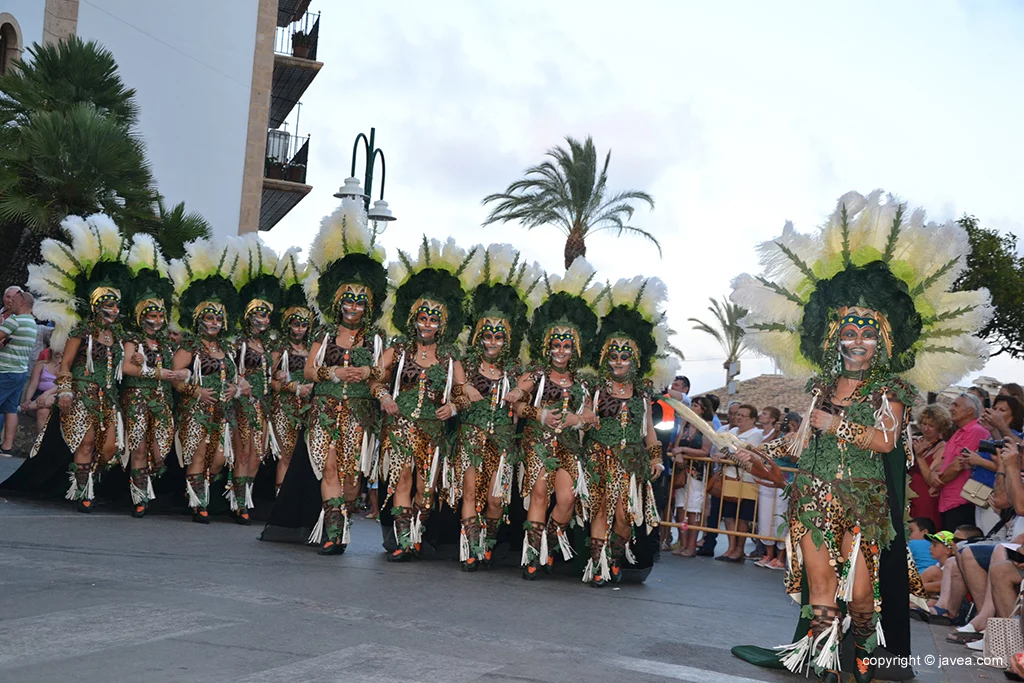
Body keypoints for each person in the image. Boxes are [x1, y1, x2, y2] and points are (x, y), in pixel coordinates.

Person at [730, 191, 990, 682]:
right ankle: (826, 664)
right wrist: (758, 450)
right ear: (834, 338)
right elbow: (802, 441)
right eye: (848, 332)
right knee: (822, 585)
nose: (856, 341)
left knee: (864, 594)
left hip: (864, 501)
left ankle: (866, 657)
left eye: (867, 332)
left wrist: (839, 424)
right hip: (813, 495)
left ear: (883, 340)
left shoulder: (890, 390)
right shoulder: (821, 387)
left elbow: (886, 443)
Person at [375, 238, 472, 562]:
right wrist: (386, 396)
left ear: (441, 325)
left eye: (433, 319)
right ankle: (404, 541)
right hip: (400, 425)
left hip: (433, 431)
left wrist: (454, 406)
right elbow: (376, 380)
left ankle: (416, 529)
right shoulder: (398, 349)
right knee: (401, 478)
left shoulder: (449, 358)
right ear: (413, 319)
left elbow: (463, 393)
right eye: (422, 318)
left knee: (425, 491)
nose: (427, 324)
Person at [446, 245, 539, 571]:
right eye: (486, 335)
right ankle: (470, 548)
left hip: (502, 443)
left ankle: (486, 540)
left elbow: (536, 376)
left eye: (498, 337)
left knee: (497, 499)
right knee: (470, 490)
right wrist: (462, 394)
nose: (491, 342)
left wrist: (519, 391)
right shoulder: (465, 365)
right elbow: (456, 397)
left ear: (507, 339)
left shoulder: (515, 370)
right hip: (471, 437)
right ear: (478, 336)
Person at [514, 259, 601, 580]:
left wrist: (574, 419)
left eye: (567, 345)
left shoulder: (583, 382)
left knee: (566, 498)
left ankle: (549, 540)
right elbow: (517, 402)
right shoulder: (535, 373)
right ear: (546, 346)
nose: (561, 350)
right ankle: (533, 556)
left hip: (568, 447)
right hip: (538, 442)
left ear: (575, 349)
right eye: (555, 345)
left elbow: (591, 416)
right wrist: (540, 413)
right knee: (540, 494)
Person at [581, 277, 671, 585]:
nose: (619, 361)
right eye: (614, 356)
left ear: (634, 361)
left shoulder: (643, 393)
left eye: (625, 356)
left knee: (623, 516)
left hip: (631, 461)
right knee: (601, 510)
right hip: (598, 457)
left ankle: (614, 556)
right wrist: (585, 418)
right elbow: (581, 418)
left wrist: (657, 459)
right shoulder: (594, 388)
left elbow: (649, 432)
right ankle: (598, 565)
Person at [168, 237, 241, 524]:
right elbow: (174, 378)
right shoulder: (190, 347)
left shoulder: (226, 349)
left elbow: (236, 377)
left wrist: (236, 388)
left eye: (218, 320)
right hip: (196, 411)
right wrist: (196, 392)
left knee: (220, 458)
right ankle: (198, 503)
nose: (214, 324)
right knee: (199, 454)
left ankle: (200, 493)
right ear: (199, 320)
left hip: (223, 411)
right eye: (209, 319)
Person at [119, 235, 189, 517]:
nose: (157, 320)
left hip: (162, 403)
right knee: (138, 448)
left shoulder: (168, 344)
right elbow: (126, 368)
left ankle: (148, 483)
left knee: (159, 453)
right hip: (136, 399)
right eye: (151, 315)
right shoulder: (132, 340)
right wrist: (155, 370)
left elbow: (182, 369)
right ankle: (139, 498)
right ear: (140, 316)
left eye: (161, 316)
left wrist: (181, 372)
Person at [229, 235, 281, 525]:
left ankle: (245, 497)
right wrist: (239, 380)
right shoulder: (238, 343)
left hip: (263, 404)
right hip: (243, 403)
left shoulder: (268, 347)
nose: (263, 319)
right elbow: (228, 366)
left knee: (258, 454)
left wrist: (280, 375)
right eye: (258, 314)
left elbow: (270, 375)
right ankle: (239, 503)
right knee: (243, 450)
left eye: (266, 315)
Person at [268, 250, 313, 497]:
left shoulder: (313, 350)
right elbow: (269, 383)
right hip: (285, 408)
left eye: (304, 324)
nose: (299, 329)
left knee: (302, 456)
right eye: (295, 324)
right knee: (285, 454)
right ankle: (279, 502)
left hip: (307, 410)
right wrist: (291, 387)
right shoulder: (279, 349)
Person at [935, 393, 990, 532]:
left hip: (962, 501)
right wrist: (934, 477)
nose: (951, 408)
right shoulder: (959, 433)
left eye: (956, 405)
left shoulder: (975, 431)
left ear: (970, 411)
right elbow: (944, 462)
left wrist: (937, 483)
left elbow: (957, 466)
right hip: (949, 500)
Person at [715, 403, 762, 562]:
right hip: (729, 476)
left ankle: (739, 550)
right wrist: (722, 455)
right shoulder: (732, 431)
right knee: (729, 515)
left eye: (743, 416)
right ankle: (730, 548)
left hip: (746, 479)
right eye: (738, 415)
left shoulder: (755, 434)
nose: (739, 418)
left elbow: (746, 455)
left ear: (752, 419)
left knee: (742, 517)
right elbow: (722, 448)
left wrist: (726, 456)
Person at [672, 395, 713, 557]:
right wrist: (678, 453)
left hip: (697, 472)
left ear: (703, 409)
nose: (693, 408)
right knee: (681, 507)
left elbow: (705, 451)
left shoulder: (707, 426)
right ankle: (682, 544)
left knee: (693, 508)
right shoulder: (685, 423)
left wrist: (683, 451)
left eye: (696, 406)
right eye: (693, 405)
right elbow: (676, 444)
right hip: (681, 470)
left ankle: (691, 546)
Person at [0, 288, 37, 457]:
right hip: (20, 372)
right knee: (10, 409)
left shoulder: (14, 321)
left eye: (13, 301)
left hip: (5, 370)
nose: (10, 303)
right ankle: (6, 447)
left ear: (21, 302)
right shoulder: (31, 323)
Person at [910, 403, 951, 528]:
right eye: (924, 424)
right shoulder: (916, 441)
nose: (926, 428)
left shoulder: (941, 447)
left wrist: (920, 457)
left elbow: (931, 479)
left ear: (940, 427)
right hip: (909, 495)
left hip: (925, 497)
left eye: (931, 426)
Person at [755, 406, 786, 569]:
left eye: (765, 414)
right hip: (766, 478)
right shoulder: (761, 434)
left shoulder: (782, 436)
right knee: (765, 517)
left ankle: (780, 556)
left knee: (779, 516)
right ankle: (769, 554)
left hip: (781, 479)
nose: (761, 415)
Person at [21, 345, 61, 432]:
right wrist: (27, 399)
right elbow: (32, 385)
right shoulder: (41, 365)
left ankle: (27, 407)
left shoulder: (68, 367)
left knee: (57, 397)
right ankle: (41, 443)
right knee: (42, 412)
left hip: (58, 395)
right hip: (40, 394)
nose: (58, 351)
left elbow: (62, 385)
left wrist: (46, 395)